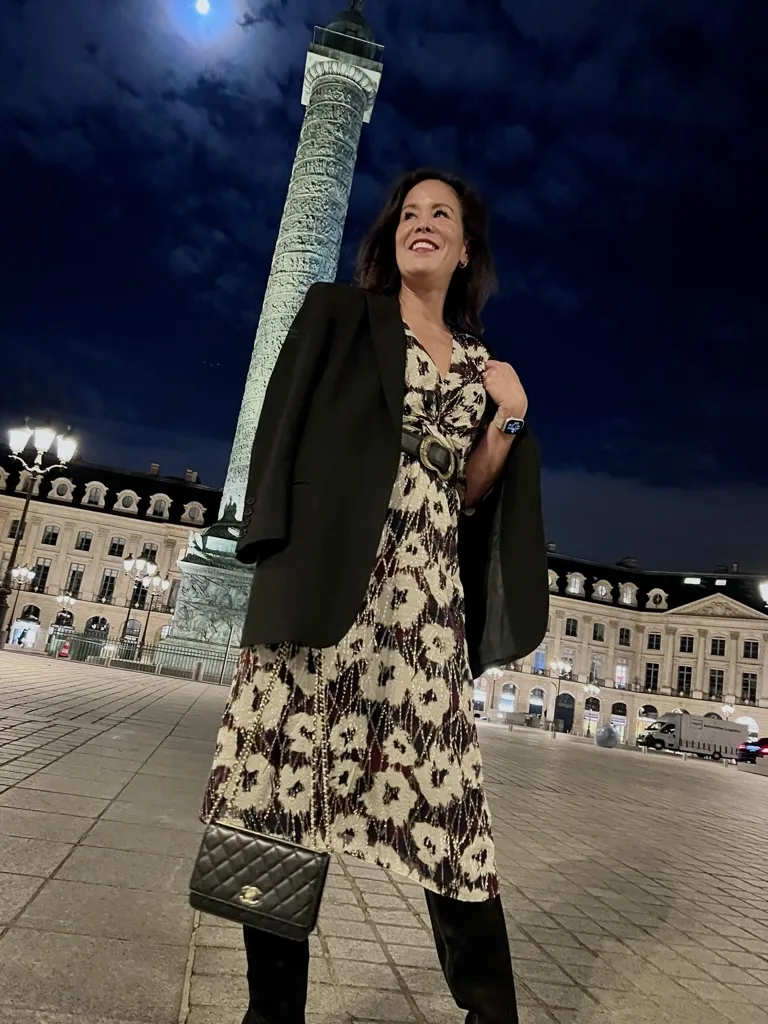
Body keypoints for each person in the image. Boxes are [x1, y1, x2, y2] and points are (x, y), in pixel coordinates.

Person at [200, 167, 549, 1024]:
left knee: (450, 802)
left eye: (444, 216)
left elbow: (468, 495)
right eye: (410, 213)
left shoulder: (479, 365)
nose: (422, 224)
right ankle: (271, 1013)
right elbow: (280, 428)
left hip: (425, 609)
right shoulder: (338, 313)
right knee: (278, 796)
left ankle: (489, 1009)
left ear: (467, 251)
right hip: (320, 585)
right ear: (392, 235)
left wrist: (507, 418)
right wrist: (268, 564)